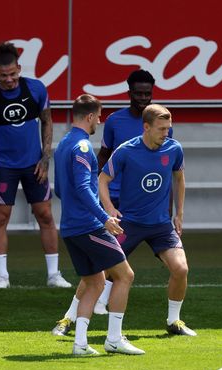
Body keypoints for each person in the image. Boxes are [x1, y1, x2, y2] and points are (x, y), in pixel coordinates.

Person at [51, 69, 171, 336]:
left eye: (147, 93)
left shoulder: (162, 124)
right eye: (138, 93)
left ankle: (81, 332)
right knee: (111, 272)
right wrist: (103, 208)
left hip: (133, 208)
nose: (142, 97)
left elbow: (168, 169)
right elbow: (96, 168)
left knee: (99, 272)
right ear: (128, 93)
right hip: (109, 207)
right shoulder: (112, 124)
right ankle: (76, 323)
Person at [0, 42, 71, 289]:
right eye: (4, 76)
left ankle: (53, 275)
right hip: (5, 166)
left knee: (46, 215)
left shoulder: (36, 89)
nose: (10, 80)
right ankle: (2, 276)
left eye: (13, 74)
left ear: (19, 68)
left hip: (34, 166)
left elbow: (47, 123)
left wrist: (45, 158)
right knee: (1, 218)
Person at [53, 93, 143, 355]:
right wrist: (103, 217)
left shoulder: (63, 144)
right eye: (99, 116)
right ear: (90, 116)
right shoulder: (82, 147)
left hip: (70, 227)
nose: (100, 121)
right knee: (125, 275)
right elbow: (83, 188)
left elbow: (61, 189)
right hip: (87, 227)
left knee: (95, 283)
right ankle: (114, 338)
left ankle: (80, 343)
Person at [100, 103, 196, 337]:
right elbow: (102, 179)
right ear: (146, 127)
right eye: (162, 129)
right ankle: (71, 317)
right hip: (130, 223)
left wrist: (179, 213)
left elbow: (180, 180)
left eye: (169, 128)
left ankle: (174, 322)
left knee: (181, 269)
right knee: (101, 269)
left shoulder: (174, 149)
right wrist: (110, 208)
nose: (167, 133)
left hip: (161, 225)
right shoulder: (125, 150)